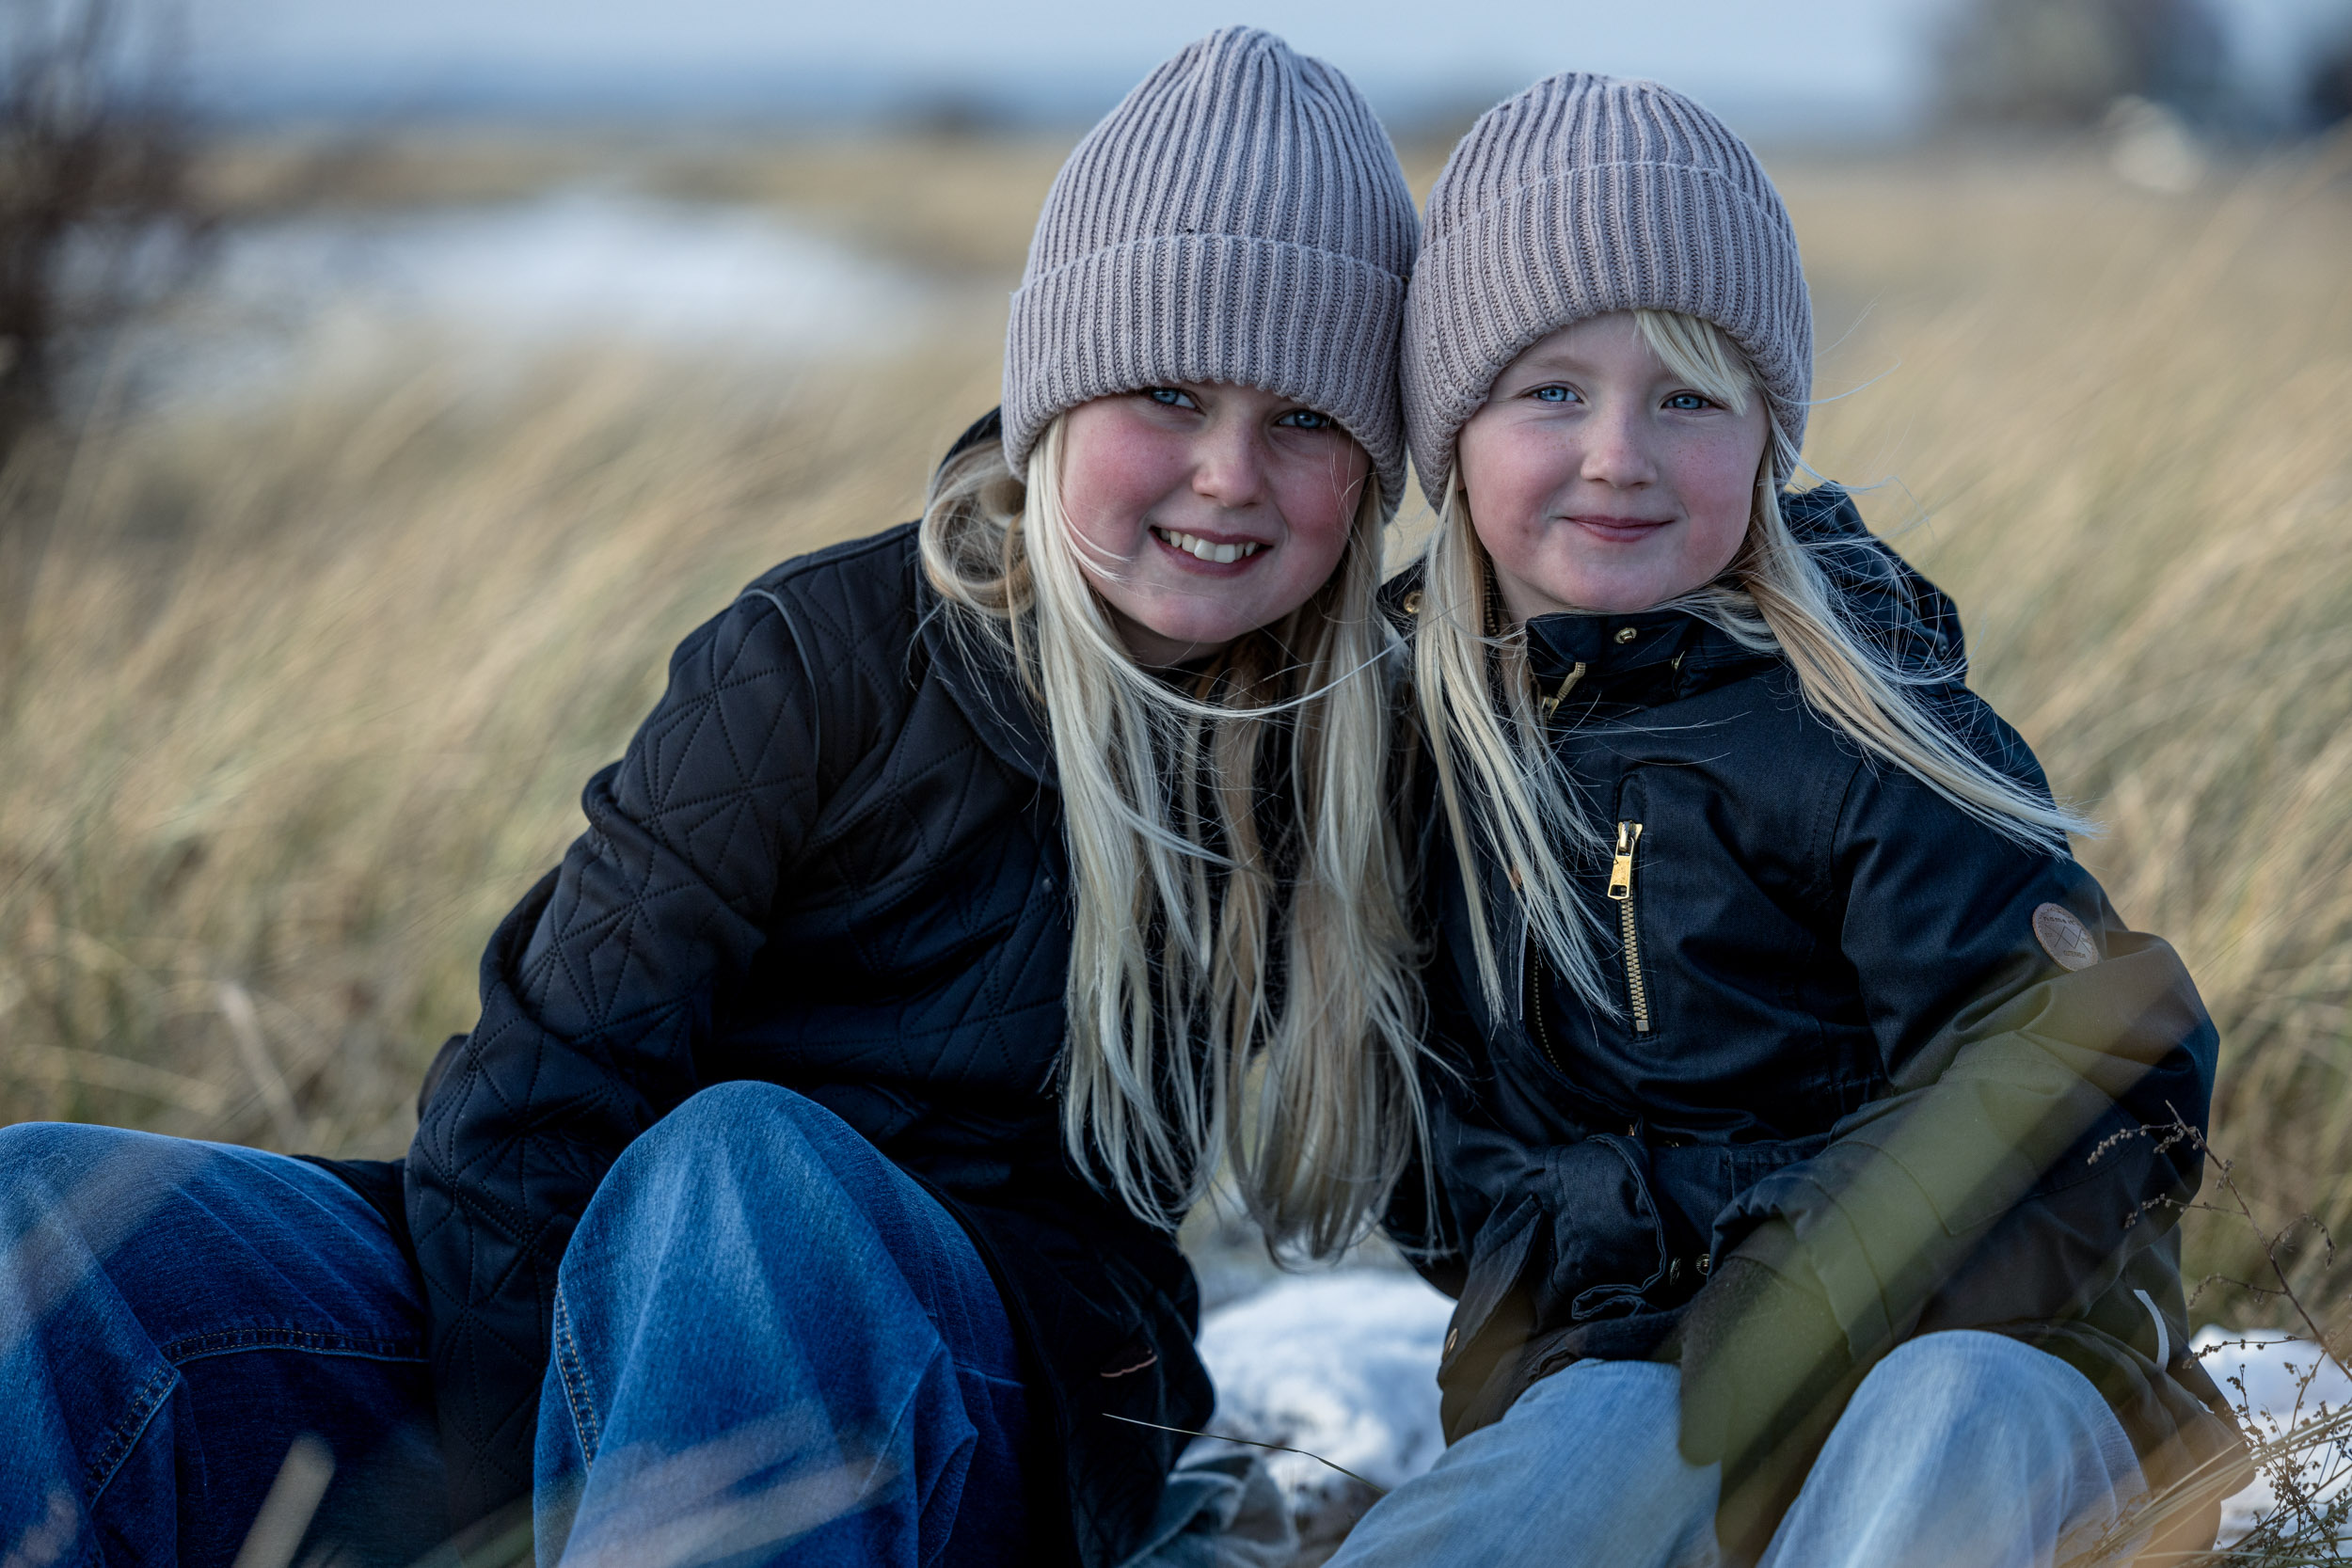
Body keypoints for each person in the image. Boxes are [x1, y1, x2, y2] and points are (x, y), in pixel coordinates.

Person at [0, 29, 1428, 1568]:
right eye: (1168, 389)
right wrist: (491, 1507)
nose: (1227, 473)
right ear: (1054, 396)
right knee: (58, 1214)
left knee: (744, 1168)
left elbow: (1505, 1135)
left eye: (1301, 420)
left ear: (1372, 468)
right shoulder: (812, 658)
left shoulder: (1353, 740)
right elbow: (539, 1093)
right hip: (602, 1312)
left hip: (998, 1369)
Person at [1329, 73, 2250, 1568]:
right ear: (1452, 433)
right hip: (1647, 1363)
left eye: (1688, 396)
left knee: (1935, 1418)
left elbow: (2103, 1052)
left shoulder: (1855, 716)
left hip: (2004, 1354)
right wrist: (1597, 1268)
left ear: (1767, 435)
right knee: (1552, 1479)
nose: (1619, 451)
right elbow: (1434, 1165)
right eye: (1550, 390)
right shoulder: (1402, 742)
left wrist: (1809, 1272)